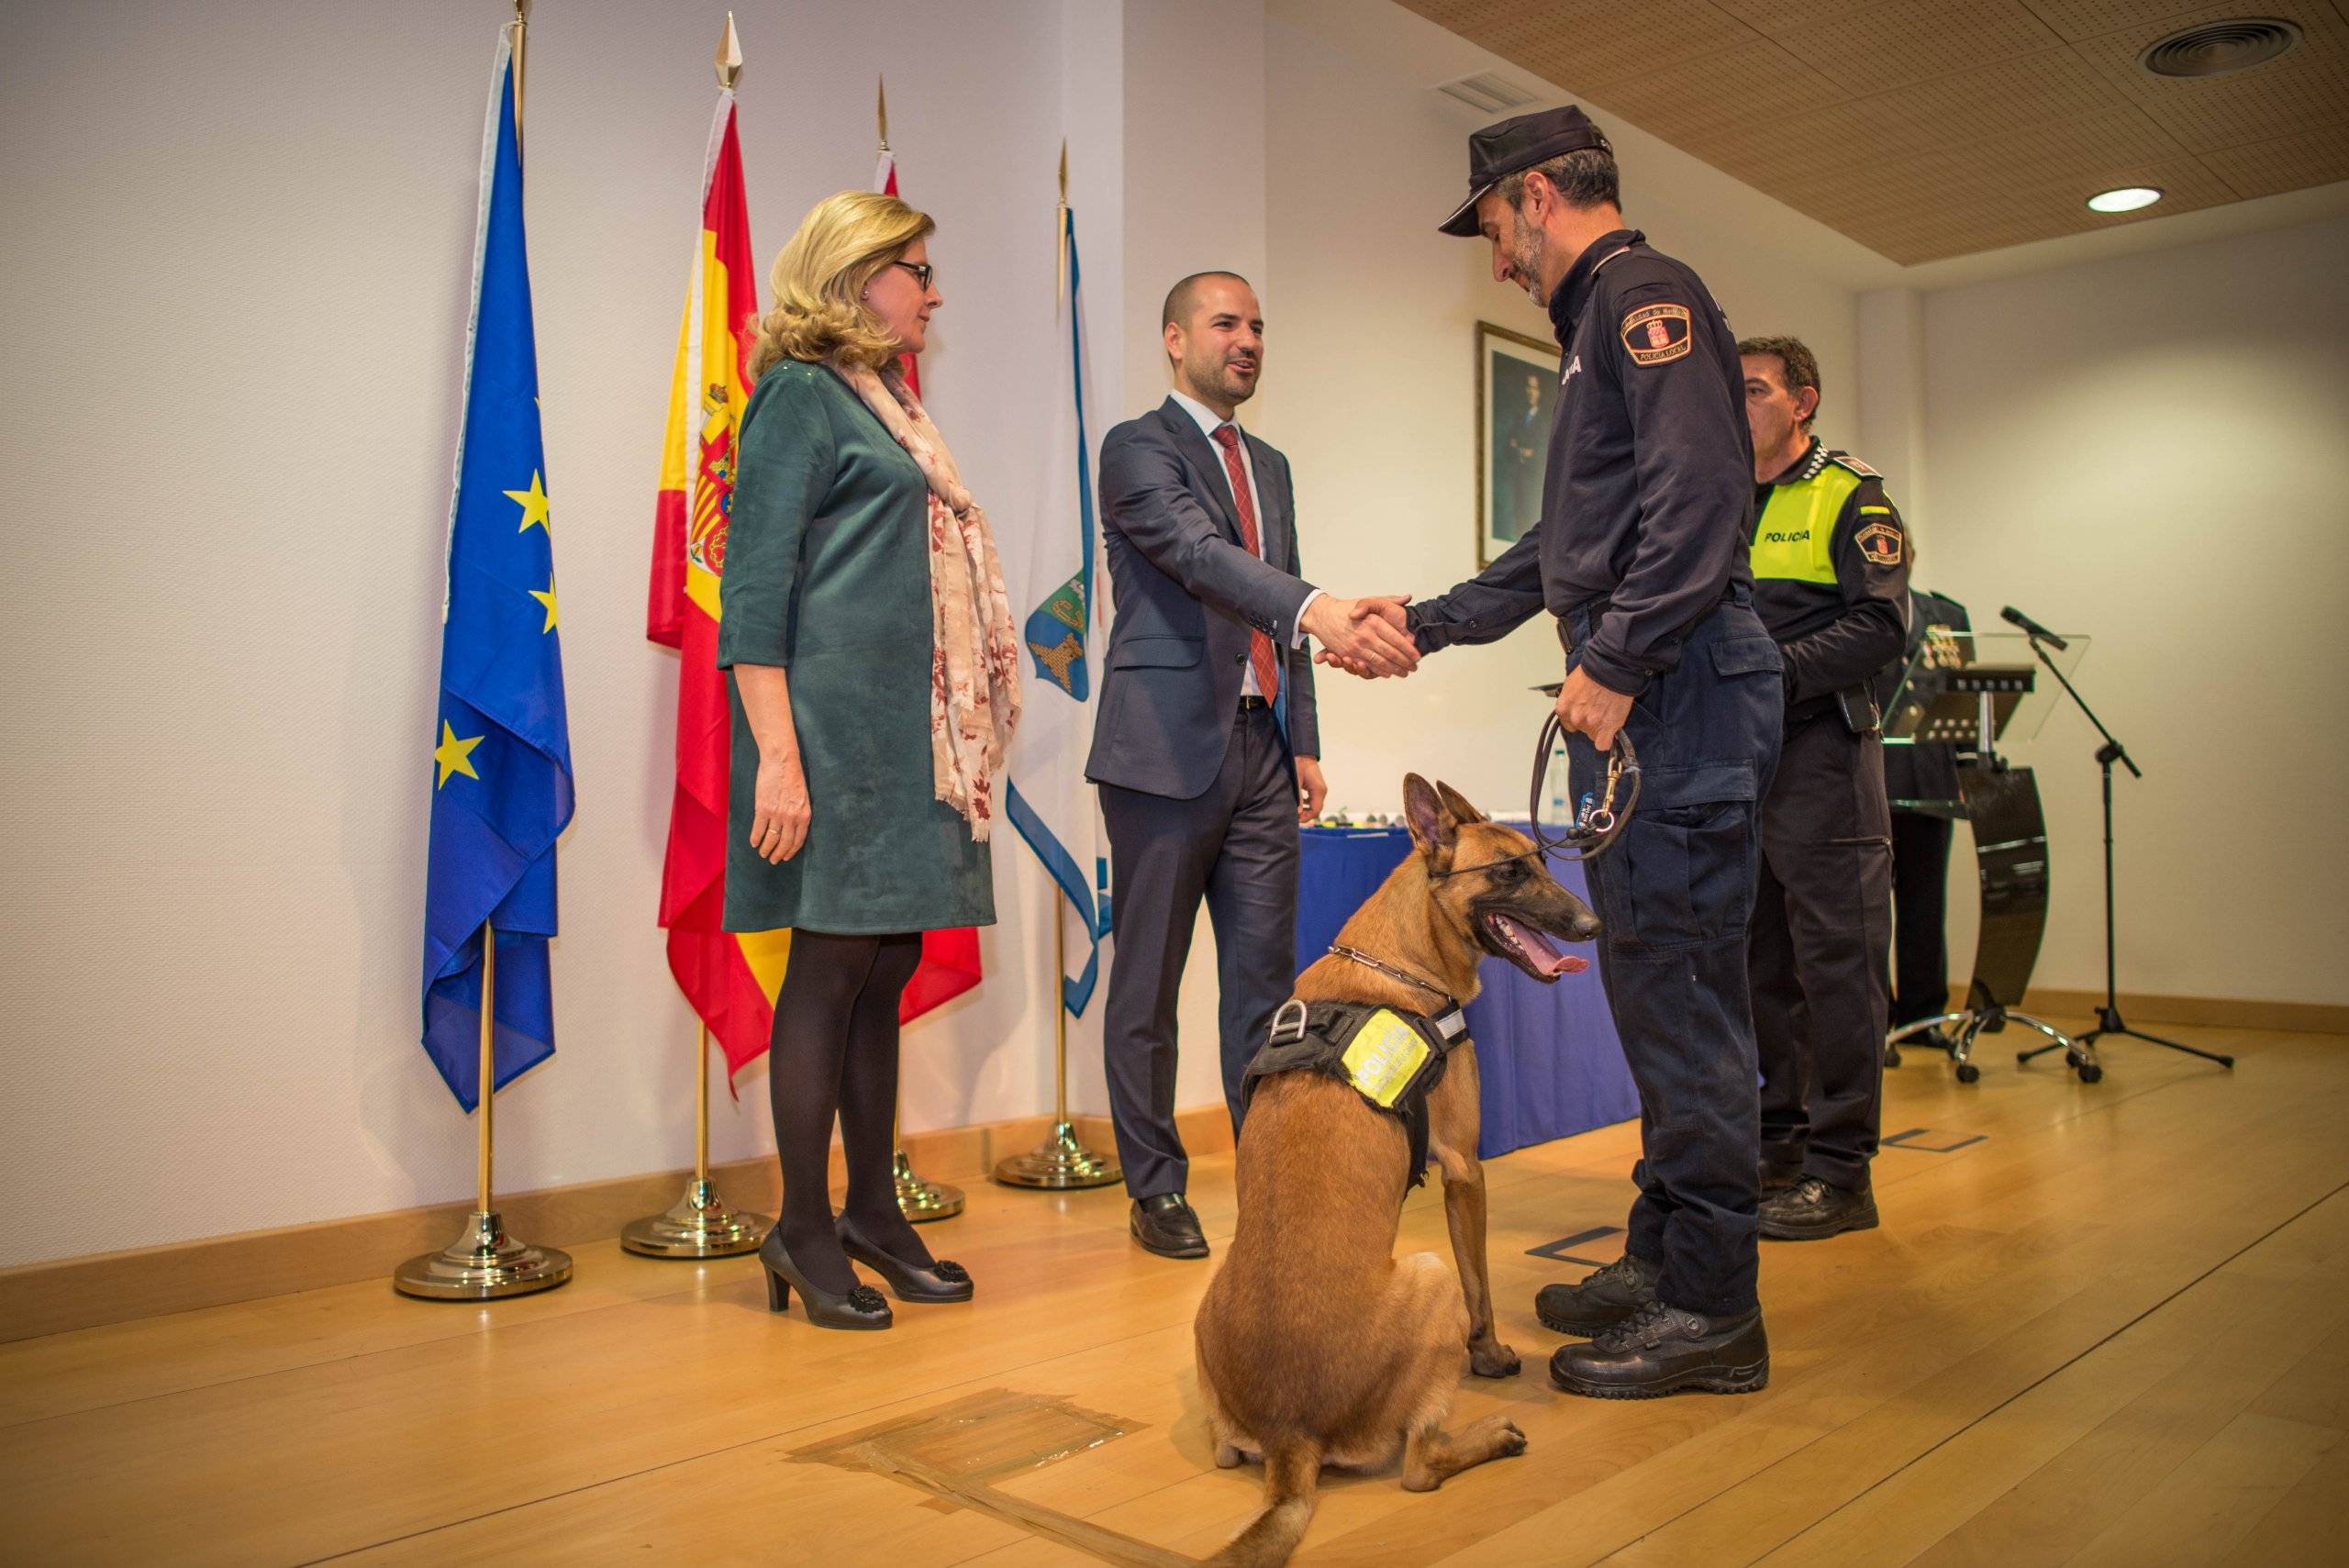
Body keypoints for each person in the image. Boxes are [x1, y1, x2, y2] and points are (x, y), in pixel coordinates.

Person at [1364, 106, 1784, 1397]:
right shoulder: (1601, 326)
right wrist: (1426, 626)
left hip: (1679, 693)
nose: (1493, 255)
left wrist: (1614, 659)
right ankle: (1665, 1259)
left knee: (1691, 1007)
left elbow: (1705, 506)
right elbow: (1568, 554)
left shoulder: (1641, 299)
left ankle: (1715, 1313)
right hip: (1660, 695)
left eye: (1491, 223)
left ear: (1537, 193)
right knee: (1657, 996)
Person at [720, 191, 1019, 1330]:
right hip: (837, 739)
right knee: (828, 971)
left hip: (916, 741)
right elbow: (753, 596)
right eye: (917, 271)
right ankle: (799, 1224)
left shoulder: (885, 401)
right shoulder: (798, 397)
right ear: (854, 277)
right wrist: (778, 761)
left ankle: (869, 1213)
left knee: (883, 973)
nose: (933, 292)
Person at [1089, 271, 1419, 1261]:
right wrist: (1320, 605)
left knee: (1266, 990)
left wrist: (1303, 734)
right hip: (1160, 750)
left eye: (1259, 326)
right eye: (1225, 323)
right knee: (1147, 985)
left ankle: (1271, 1183)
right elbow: (1199, 556)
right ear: (1173, 338)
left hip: (1263, 751)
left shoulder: (1267, 462)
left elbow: (1277, 603)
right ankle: (1155, 1188)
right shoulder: (1136, 446)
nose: (1246, 340)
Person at [1737, 336, 1909, 1241]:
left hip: (1824, 759)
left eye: (1755, 389)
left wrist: (1766, 672)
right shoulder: (1722, 494)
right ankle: (1780, 1144)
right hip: (1742, 765)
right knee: (1761, 966)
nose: (1739, 403)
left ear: (1801, 400)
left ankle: (1843, 1173)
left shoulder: (1852, 496)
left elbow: (1881, 626)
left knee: (1837, 969)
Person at [1876, 585, 1972, 1050]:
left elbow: (1965, 698)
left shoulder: (1947, 613)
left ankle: (1923, 1016)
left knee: (1926, 905)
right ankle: (1876, 1020)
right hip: (1870, 782)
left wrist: (1969, 768)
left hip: (1931, 781)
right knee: (1868, 912)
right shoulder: (1853, 609)